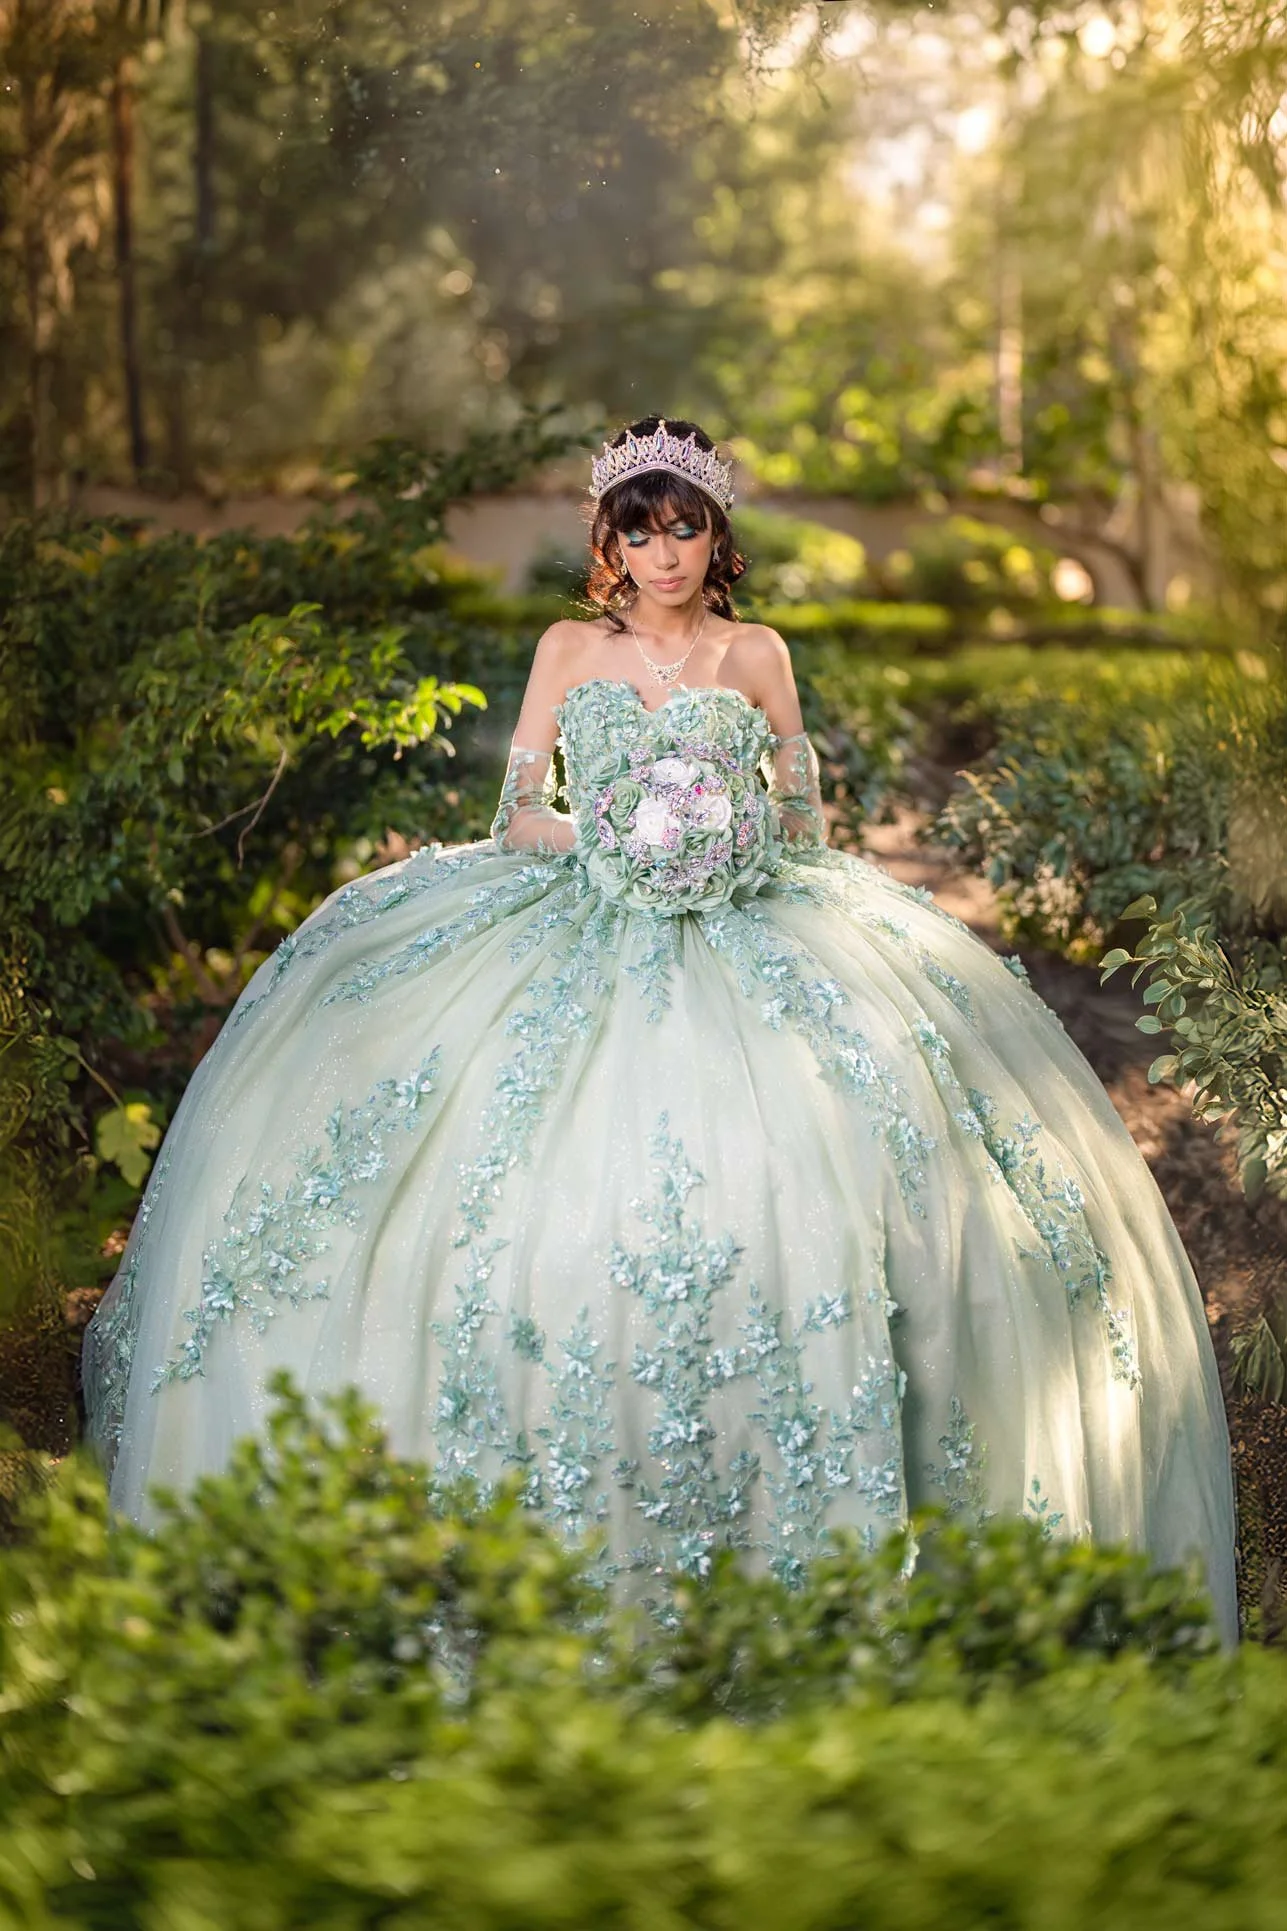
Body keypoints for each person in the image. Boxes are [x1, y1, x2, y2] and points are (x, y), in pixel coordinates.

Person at [82, 415, 1240, 1640]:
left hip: (747, 917)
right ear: (611, 541)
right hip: (581, 903)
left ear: (715, 535)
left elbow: (800, 818)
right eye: (641, 532)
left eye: (684, 528)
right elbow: (521, 808)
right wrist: (618, 841)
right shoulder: (569, 649)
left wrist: (721, 845)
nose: (664, 555)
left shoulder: (759, 653)